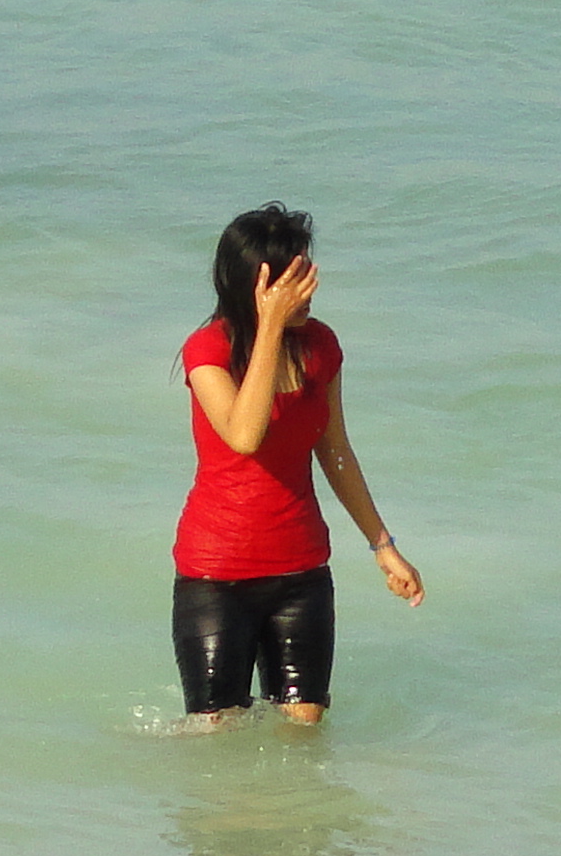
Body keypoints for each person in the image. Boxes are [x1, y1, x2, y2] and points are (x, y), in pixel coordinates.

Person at [172, 204, 423, 730]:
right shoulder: (207, 351)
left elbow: (335, 450)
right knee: (216, 736)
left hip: (301, 572)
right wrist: (267, 329)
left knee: (305, 731)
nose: (309, 292)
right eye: (295, 281)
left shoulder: (320, 347)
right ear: (258, 286)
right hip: (216, 576)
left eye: (308, 277)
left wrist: (384, 546)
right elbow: (245, 435)